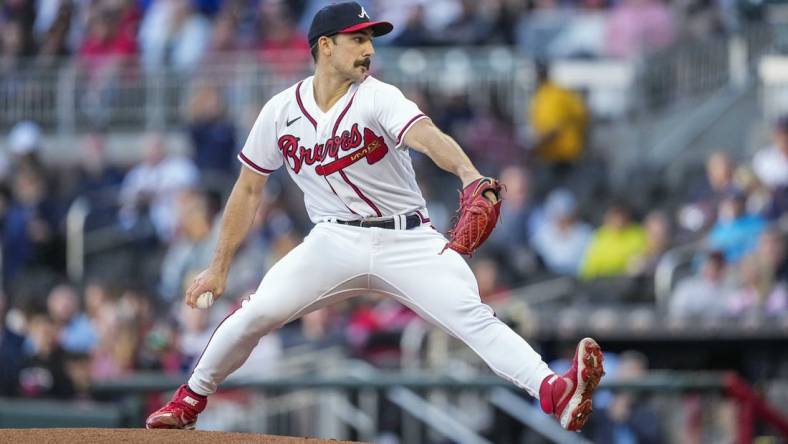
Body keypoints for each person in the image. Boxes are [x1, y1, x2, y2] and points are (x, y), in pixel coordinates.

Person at [145, 2, 604, 433]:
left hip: (407, 238)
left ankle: (554, 392)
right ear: (325, 46)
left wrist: (468, 173)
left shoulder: (378, 96)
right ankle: (190, 399)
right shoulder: (280, 112)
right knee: (257, 312)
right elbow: (248, 189)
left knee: (472, 316)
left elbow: (425, 135)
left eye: (371, 39)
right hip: (333, 242)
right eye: (357, 39)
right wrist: (219, 265)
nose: (368, 49)